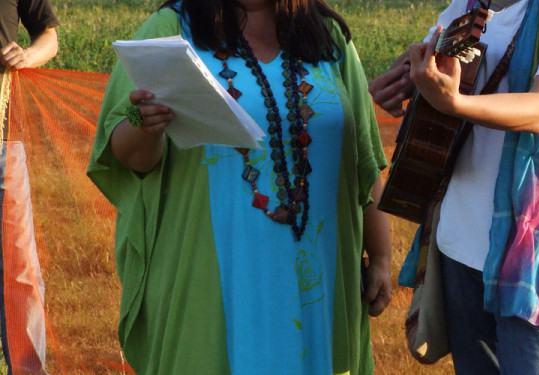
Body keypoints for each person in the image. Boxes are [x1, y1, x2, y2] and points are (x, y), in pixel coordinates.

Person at [87, 0, 392, 374]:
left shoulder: (326, 35)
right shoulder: (171, 28)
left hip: (319, 284)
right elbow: (129, 156)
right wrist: (143, 122)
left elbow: (363, 159)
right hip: (209, 282)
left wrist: (379, 256)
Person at [370, 0, 539, 374]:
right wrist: (407, 76)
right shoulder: (475, 2)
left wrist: (452, 102)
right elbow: (431, 51)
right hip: (458, 246)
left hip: (534, 261)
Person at [0, 1, 59, 374]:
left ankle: (28, 370)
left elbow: (49, 36)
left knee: (20, 268)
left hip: (4, 138)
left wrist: (28, 55)